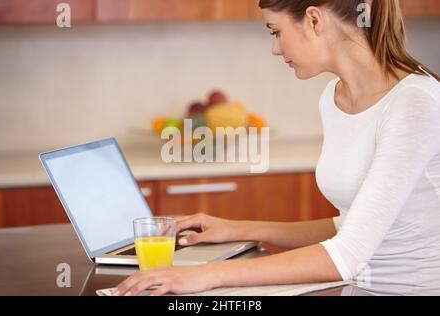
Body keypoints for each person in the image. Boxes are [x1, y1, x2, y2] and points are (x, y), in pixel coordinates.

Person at [115, 0, 440, 296]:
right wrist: (236, 229)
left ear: (314, 20)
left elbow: (346, 255)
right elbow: (350, 225)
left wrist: (209, 274)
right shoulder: (334, 97)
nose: (274, 48)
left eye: (276, 31)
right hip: (351, 288)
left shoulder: (415, 103)